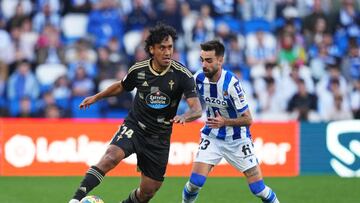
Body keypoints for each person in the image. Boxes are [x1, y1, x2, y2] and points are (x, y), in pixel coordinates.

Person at [68, 23, 202, 203]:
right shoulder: (139, 70)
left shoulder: (182, 74)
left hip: (159, 137)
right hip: (135, 126)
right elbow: (120, 87)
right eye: (162, 48)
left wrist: (185, 116)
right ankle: (75, 200)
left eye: (170, 47)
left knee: (148, 191)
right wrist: (96, 97)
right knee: (110, 157)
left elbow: (197, 109)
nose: (167, 52)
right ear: (152, 49)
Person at [182, 40, 279, 203]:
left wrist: (224, 122)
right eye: (202, 60)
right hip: (212, 136)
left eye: (209, 60)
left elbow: (248, 119)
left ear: (220, 61)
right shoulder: (198, 78)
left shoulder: (232, 84)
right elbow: (184, 93)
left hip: (237, 140)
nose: (204, 65)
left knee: (259, 190)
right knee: (194, 183)